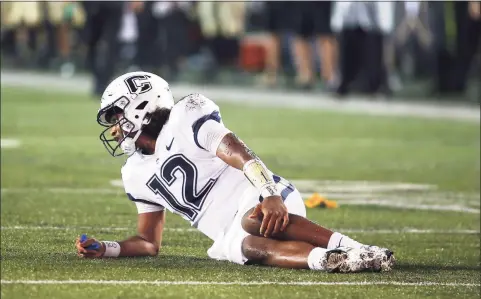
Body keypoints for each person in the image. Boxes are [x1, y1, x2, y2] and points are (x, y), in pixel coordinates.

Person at [76, 71, 395, 273]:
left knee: (252, 221)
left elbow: (242, 155)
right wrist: (107, 249)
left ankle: (356, 247)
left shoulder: (187, 115)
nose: (115, 129)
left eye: (117, 116)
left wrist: (269, 193)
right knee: (250, 246)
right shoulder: (135, 173)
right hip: (229, 233)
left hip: (259, 195)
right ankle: (331, 260)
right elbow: (148, 242)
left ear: (140, 105)